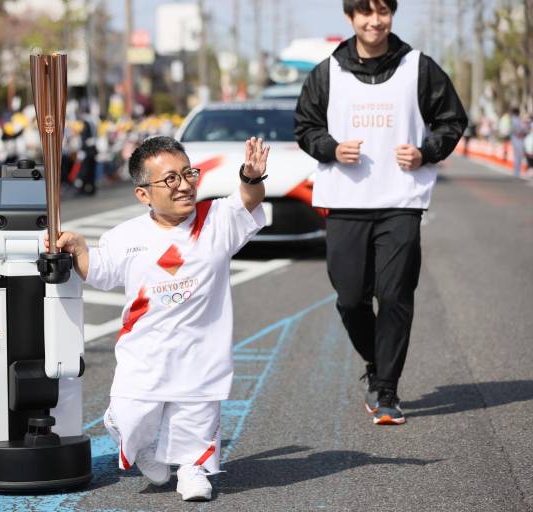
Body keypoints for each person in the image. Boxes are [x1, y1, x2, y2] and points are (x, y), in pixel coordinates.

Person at [49, 135, 269, 501]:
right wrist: (77, 247)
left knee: (196, 417)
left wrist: (250, 176)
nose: (184, 185)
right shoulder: (127, 236)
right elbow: (99, 272)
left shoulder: (215, 220)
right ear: (143, 194)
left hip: (202, 352)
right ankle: (143, 446)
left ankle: (192, 469)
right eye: (170, 179)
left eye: (188, 174)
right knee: (132, 419)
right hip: (144, 352)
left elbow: (249, 200)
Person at [294, 0, 467, 425]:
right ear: (350, 18)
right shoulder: (327, 72)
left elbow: (452, 119)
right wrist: (331, 148)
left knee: (394, 296)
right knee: (351, 299)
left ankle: (386, 389)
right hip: (346, 203)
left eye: (383, 11)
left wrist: (426, 152)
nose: (376, 21)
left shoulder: (419, 67)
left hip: (400, 203)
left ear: (392, 14)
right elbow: (305, 126)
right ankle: (376, 361)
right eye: (366, 13)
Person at [510, 108, 529, 177]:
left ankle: (516, 171)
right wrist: (525, 130)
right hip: (518, 138)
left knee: (517, 156)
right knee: (518, 156)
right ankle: (516, 171)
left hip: (517, 139)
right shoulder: (515, 120)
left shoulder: (515, 119)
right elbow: (520, 129)